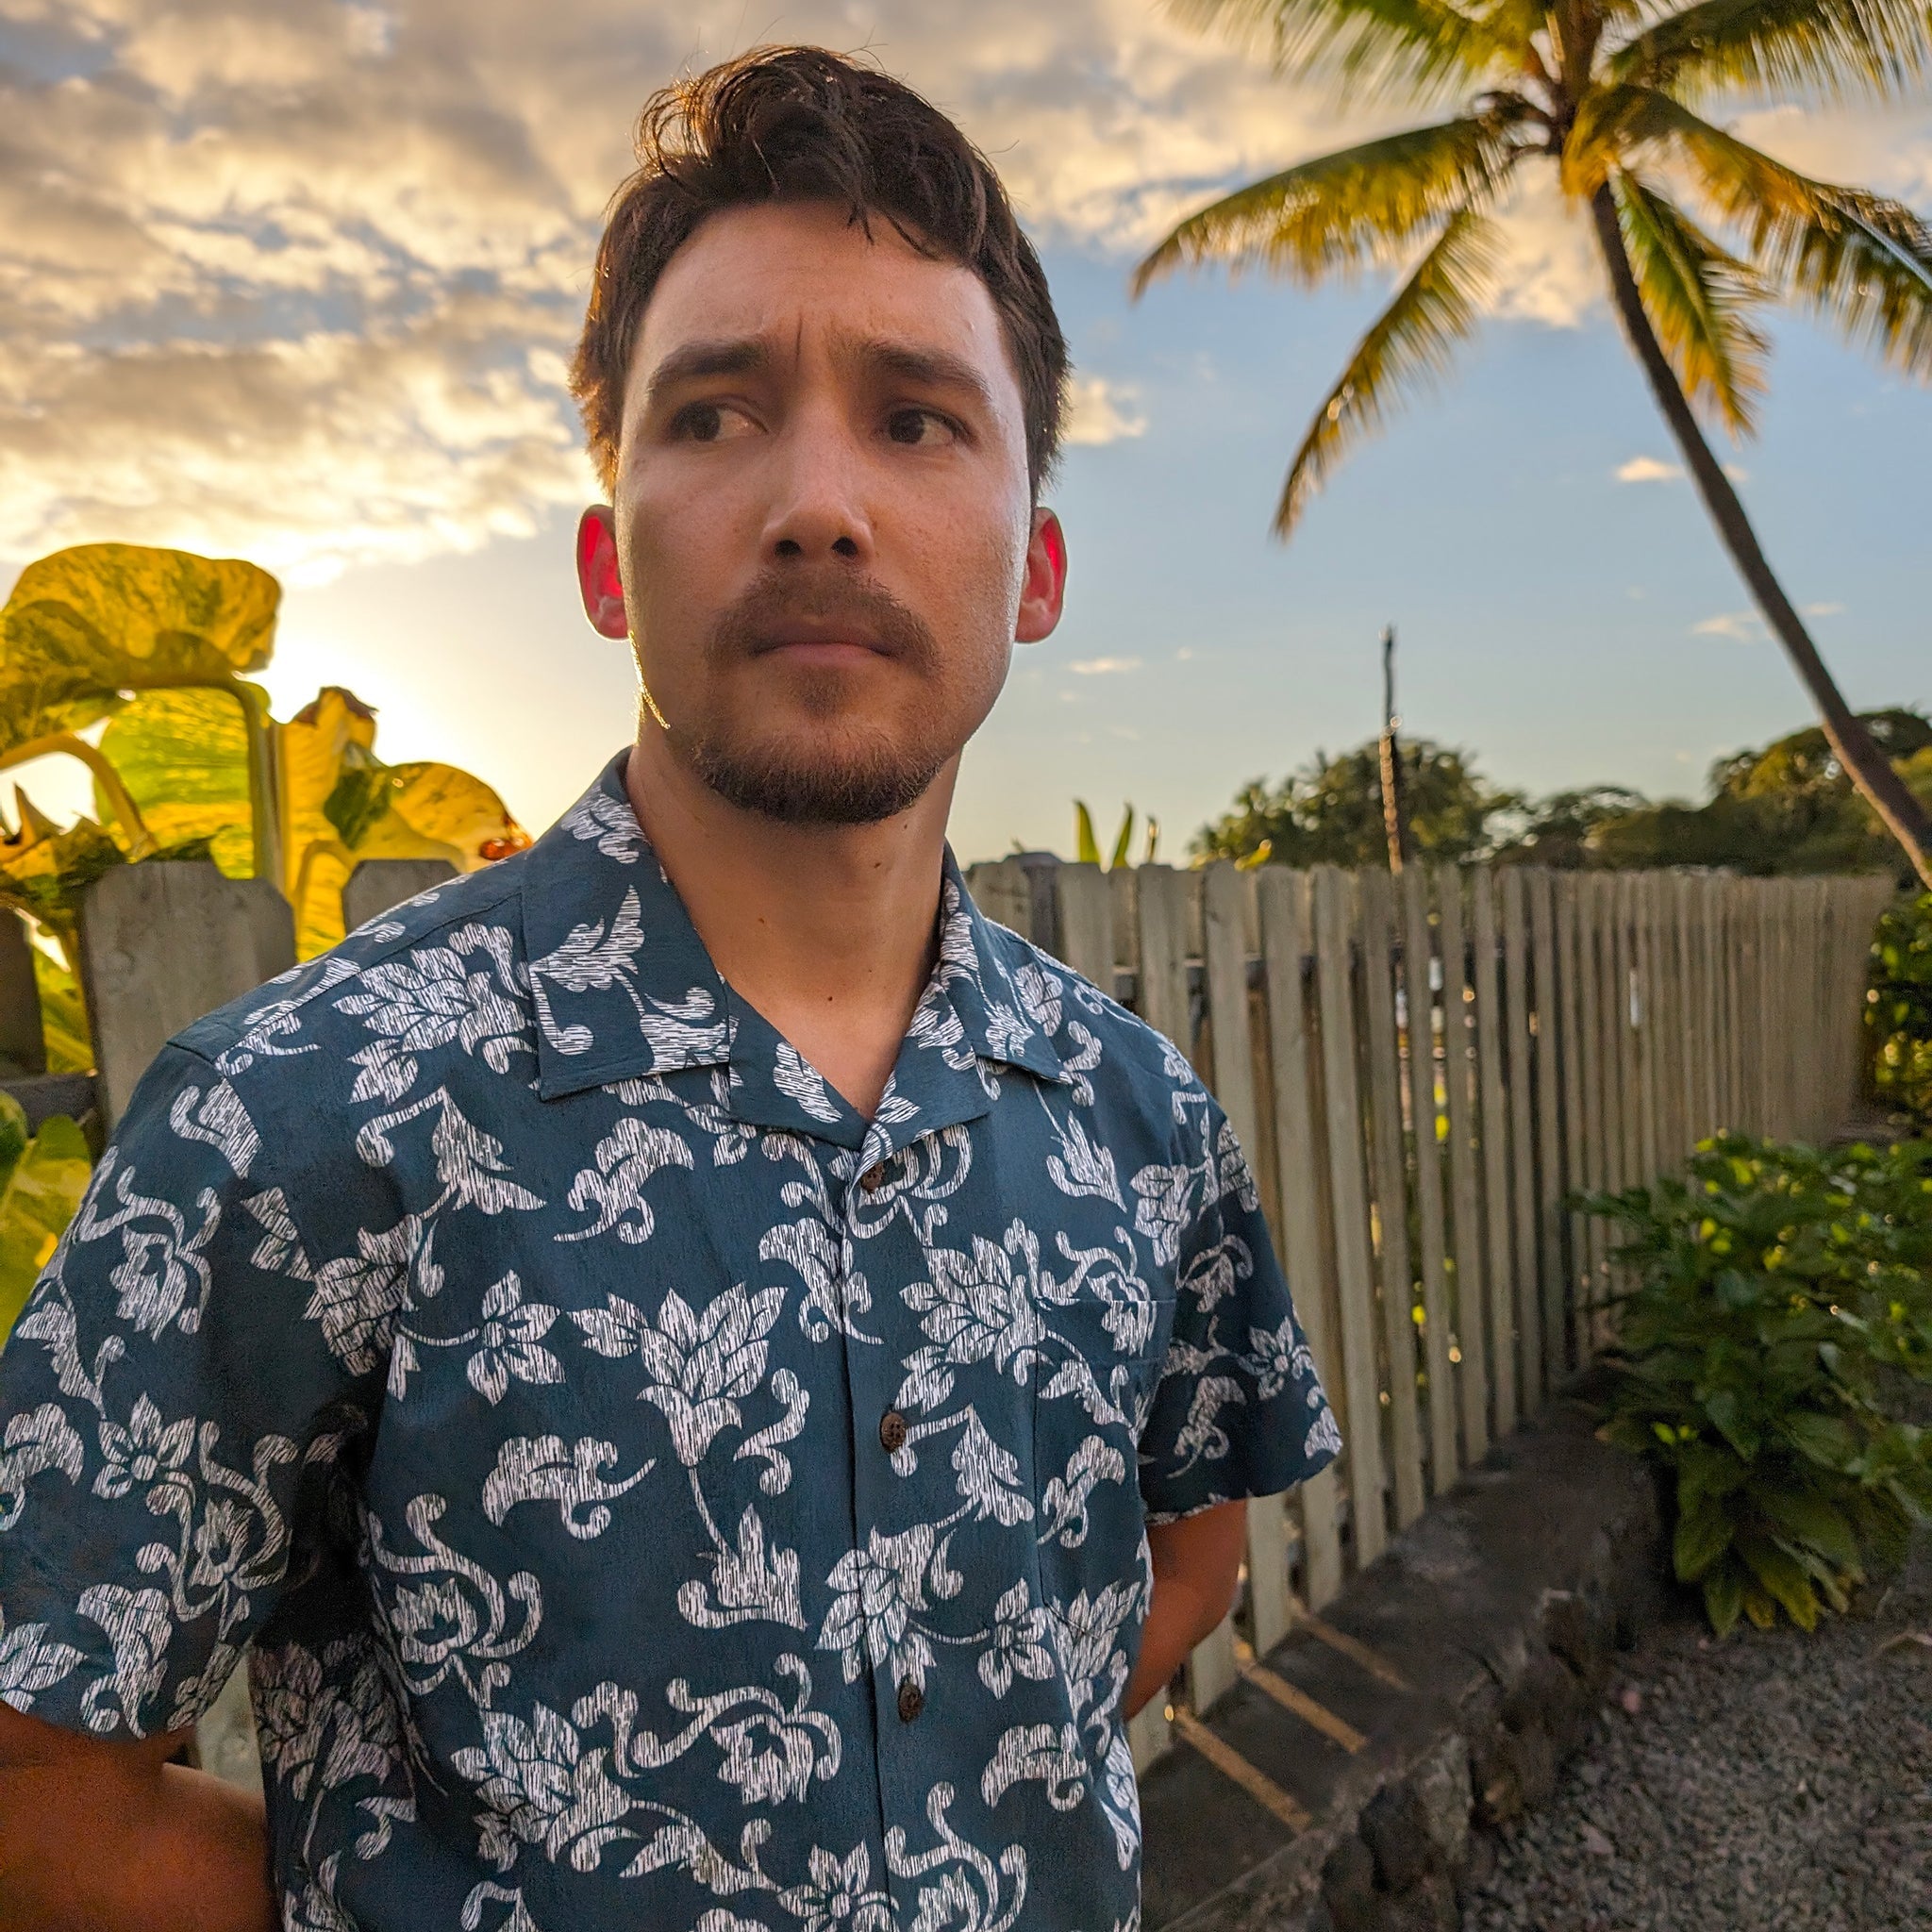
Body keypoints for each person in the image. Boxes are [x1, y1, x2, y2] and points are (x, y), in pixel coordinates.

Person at [0, 46, 1337, 1932]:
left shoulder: (1133, 1113)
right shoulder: (306, 1115)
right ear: (606, 560)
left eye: (918, 420)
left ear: (1035, 566)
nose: (818, 504)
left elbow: (1189, 1554)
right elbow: (34, 1789)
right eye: (713, 416)